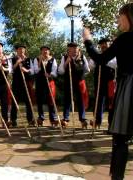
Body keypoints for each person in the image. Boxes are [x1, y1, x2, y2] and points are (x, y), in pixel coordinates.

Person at [83, 3, 133, 180]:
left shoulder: (125, 38)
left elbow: (101, 58)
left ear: (129, 17)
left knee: (120, 138)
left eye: (120, 15)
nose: (118, 19)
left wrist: (88, 41)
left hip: (129, 87)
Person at [58, 43, 90, 128]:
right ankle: (65, 118)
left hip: (79, 82)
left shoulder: (83, 57)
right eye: (72, 49)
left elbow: (87, 70)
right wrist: (66, 63)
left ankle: (82, 119)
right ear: (69, 50)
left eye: (76, 49)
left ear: (78, 50)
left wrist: (81, 73)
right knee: (67, 100)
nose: (74, 51)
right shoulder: (64, 58)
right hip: (68, 82)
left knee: (81, 101)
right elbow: (60, 71)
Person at [88, 38, 117, 129]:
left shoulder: (114, 55)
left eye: (105, 43)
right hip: (99, 82)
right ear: (100, 46)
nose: (103, 45)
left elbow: (115, 65)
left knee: (111, 103)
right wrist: (96, 59)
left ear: (109, 44)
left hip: (110, 83)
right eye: (101, 44)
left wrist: (102, 60)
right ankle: (97, 121)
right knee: (98, 102)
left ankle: (111, 123)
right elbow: (90, 66)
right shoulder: (97, 55)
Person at [10, 44, 35, 127]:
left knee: (29, 101)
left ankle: (30, 119)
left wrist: (26, 70)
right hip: (17, 83)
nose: (21, 50)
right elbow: (11, 70)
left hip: (27, 82)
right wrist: (17, 63)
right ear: (16, 50)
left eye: (23, 49)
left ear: (25, 50)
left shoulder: (28, 59)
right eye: (19, 49)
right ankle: (13, 120)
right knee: (14, 101)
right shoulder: (13, 59)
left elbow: (33, 70)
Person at [33, 46, 58, 127]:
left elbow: (55, 71)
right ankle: (41, 118)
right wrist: (40, 61)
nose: (45, 52)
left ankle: (53, 118)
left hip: (49, 82)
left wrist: (50, 75)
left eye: (46, 50)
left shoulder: (53, 59)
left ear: (49, 51)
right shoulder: (36, 59)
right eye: (43, 50)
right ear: (41, 52)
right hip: (40, 82)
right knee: (39, 100)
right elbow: (36, 70)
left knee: (51, 100)